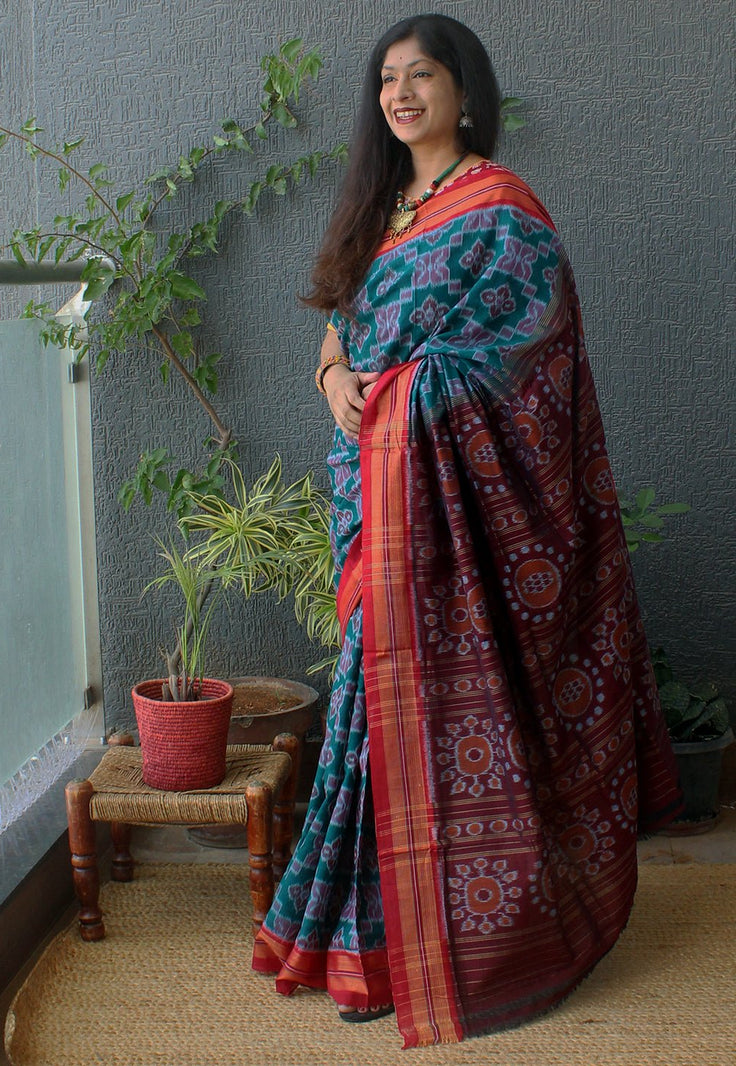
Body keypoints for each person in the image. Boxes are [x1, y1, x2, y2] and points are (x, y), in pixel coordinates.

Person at [252, 14, 683, 1047]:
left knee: (439, 716)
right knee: (375, 708)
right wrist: (329, 374)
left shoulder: (501, 211)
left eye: (421, 76)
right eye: (387, 80)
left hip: (447, 507)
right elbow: (341, 324)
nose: (401, 94)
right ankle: (367, 941)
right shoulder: (380, 208)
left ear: (462, 90)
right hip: (375, 498)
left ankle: (478, 944)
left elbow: (525, 359)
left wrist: (398, 397)